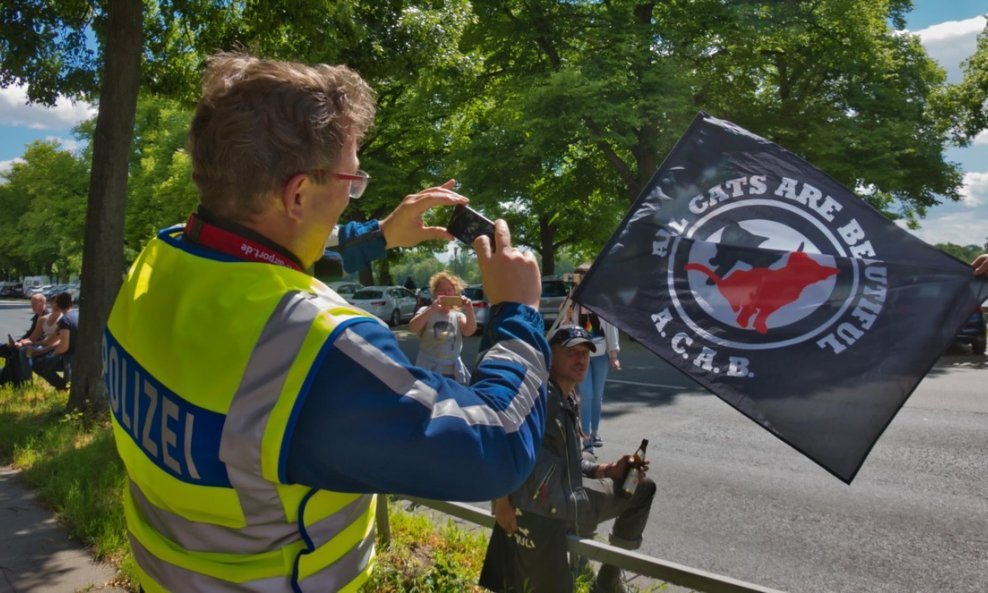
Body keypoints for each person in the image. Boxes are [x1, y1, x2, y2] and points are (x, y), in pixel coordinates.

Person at [104, 52, 547, 593]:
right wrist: (518, 314)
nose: (351, 193)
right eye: (351, 178)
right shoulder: (313, 345)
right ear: (296, 194)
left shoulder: (160, 261)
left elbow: (255, 257)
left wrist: (379, 234)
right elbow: (498, 449)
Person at [480, 325, 656, 593]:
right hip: (551, 509)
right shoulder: (540, 398)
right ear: (550, 357)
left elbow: (572, 462)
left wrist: (608, 469)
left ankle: (608, 580)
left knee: (640, 484)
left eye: (585, 353)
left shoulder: (569, 397)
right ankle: (608, 583)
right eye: (572, 352)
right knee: (643, 489)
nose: (581, 359)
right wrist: (501, 503)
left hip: (570, 497)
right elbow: (501, 445)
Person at [558, 263, 621, 451]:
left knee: (597, 397)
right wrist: (568, 315)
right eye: (581, 279)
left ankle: (595, 432)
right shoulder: (571, 301)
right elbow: (562, 328)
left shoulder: (602, 300)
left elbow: (611, 327)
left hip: (600, 355)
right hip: (580, 355)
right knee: (587, 395)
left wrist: (614, 354)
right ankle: (584, 436)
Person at [408, 271, 477, 383]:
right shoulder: (426, 311)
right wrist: (432, 309)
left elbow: (469, 331)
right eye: (442, 290)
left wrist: (469, 309)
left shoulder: (458, 316)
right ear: (435, 294)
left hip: (452, 372)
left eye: (449, 290)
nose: (446, 293)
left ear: (454, 293)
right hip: (428, 369)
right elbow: (413, 328)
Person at [31, 291, 77, 391]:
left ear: (57, 304)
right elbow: (51, 340)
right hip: (79, 355)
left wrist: (50, 357)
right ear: (71, 303)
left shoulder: (65, 321)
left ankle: (62, 386)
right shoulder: (76, 315)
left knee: (39, 365)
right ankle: (63, 386)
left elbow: (63, 347)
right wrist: (37, 346)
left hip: (70, 358)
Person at [0, 293, 47, 387]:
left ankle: (21, 382)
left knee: (17, 352)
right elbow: (29, 334)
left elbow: (39, 337)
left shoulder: (45, 317)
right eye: (31, 303)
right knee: (10, 351)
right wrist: (19, 342)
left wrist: (21, 343)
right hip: (32, 343)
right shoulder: (37, 316)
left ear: (41, 303)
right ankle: (12, 381)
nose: (32, 306)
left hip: (42, 345)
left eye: (34, 303)